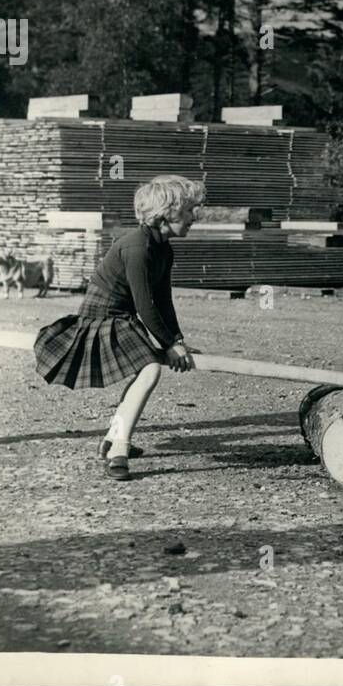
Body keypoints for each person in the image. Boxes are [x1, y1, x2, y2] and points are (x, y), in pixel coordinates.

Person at [34, 175, 203, 480]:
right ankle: (119, 449)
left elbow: (164, 301)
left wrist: (177, 340)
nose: (196, 217)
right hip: (102, 318)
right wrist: (168, 346)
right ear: (166, 214)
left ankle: (113, 438)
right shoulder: (136, 247)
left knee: (145, 369)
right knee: (150, 369)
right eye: (190, 210)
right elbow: (145, 305)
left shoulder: (164, 248)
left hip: (122, 317)